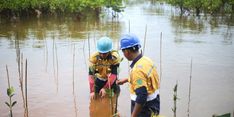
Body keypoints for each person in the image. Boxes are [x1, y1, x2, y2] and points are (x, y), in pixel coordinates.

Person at [117, 34, 160, 117]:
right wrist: (126, 80)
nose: (123, 54)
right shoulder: (146, 60)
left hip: (144, 109)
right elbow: (145, 78)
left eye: (123, 51)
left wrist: (133, 116)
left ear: (127, 51)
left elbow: (141, 96)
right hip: (154, 103)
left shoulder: (137, 70)